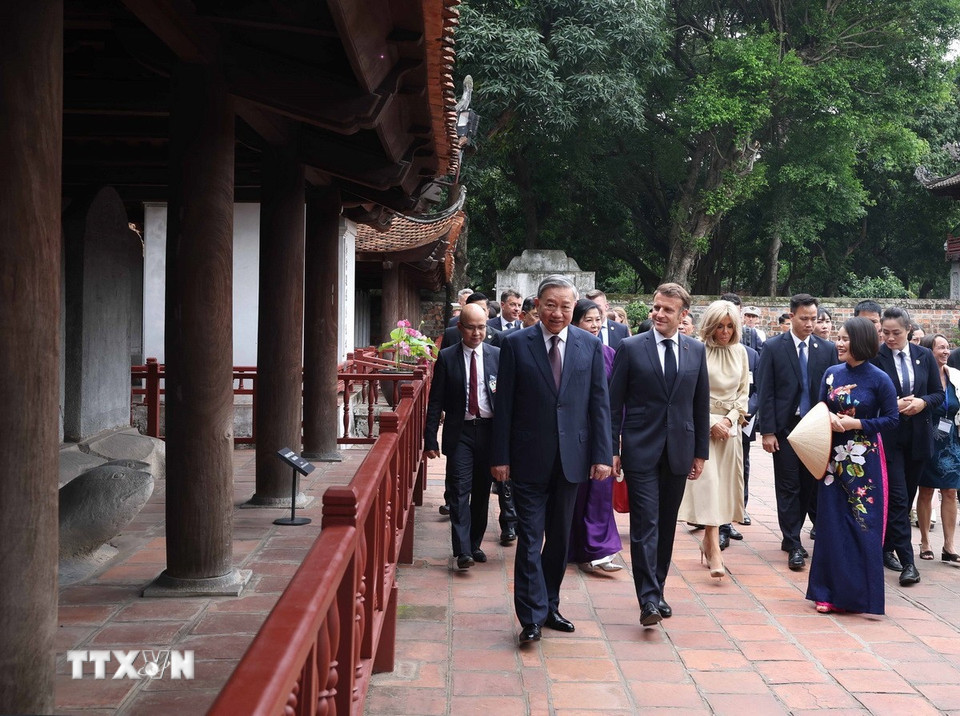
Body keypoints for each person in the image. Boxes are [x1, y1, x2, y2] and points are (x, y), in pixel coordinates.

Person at [491, 275, 612, 645]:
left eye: (565, 306)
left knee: (559, 540)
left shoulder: (589, 345)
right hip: (528, 457)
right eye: (550, 305)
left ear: (574, 308)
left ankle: (550, 605)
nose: (557, 313)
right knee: (530, 538)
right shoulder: (514, 344)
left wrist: (602, 454)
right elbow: (505, 406)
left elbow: (599, 404)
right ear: (537, 306)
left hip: (573, 459)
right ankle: (529, 615)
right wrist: (500, 456)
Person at [610, 283, 710, 626]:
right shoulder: (630, 347)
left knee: (667, 524)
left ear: (683, 315)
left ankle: (659, 588)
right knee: (645, 523)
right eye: (656, 307)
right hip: (640, 448)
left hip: (679, 450)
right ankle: (648, 599)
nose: (658, 314)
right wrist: (612, 448)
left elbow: (700, 405)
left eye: (667, 309)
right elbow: (613, 404)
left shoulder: (696, 351)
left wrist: (700, 453)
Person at [806, 317, 898, 614]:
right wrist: (830, 420)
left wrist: (857, 423)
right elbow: (817, 410)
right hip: (832, 461)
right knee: (830, 524)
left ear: (860, 342)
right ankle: (826, 592)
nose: (839, 343)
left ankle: (860, 597)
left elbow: (893, 420)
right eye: (839, 338)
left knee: (862, 526)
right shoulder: (831, 374)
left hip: (864, 463)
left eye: (845, 339)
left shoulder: (879, 379)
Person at [757, 294, 838, 571]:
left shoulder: (826, 349)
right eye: (804, 318)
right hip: (785, 428)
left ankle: (793, 531)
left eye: (813, 319)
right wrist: (768, 431)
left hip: (814, 428)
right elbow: (766, 391)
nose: (809, 324)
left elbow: (829, 392)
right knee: (788, 485)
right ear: (791, 317)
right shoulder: (773, 348)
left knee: (809, 484)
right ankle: (793, 541)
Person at [871, 306, 943, 585]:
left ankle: (886, 547)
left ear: (908, 330)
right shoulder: (876, 358)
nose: (890, 338)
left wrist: (922, 402)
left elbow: (937, 394)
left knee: (905, 497)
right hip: (890, 439)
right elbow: (871, 397)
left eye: (896, 333)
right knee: (899, 499)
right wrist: (894, 406)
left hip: (918, 438)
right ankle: (908, 563)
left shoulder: (924, 356)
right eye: (885, 333)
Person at [424, 304, 500, 569]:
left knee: (481, 493)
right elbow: (435, 401)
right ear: (460, 328)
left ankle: (475, 543)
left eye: (482, 327)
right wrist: (430, 438)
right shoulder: (446, 357)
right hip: (461, 433)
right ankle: (462, 549)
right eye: (471, 327)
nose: (477, 333)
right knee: (458, 490)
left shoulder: (498, 356)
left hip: (489, 432)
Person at [677, 301, 749, 579]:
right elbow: (687, 394)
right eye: (720, 325)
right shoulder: (696, 350)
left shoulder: (741, 352)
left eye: (730, 326)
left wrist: (730, 419)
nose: (725, 332)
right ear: (710, 325)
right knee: (708, 487)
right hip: (702, 429)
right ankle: (713, 547)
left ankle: (709, 543)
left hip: (729, 431)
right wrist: (709, 422)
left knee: (724, 489)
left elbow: (744, 392)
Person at [566, 299, 623, 573]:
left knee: (601, 489)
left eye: (598, 320)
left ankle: (601, 549)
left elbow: (617, 401)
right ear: (575, 322)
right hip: (574, 433)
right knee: (576, 493)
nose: (595, 326)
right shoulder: (568, 352)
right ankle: (574, 547)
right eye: (589, 320)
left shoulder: (611, 353)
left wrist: (616, 438)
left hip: (602, 432)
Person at [917, 333, 960, 563]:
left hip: (950, 442)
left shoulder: (955, 377)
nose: (946, 352)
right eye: (941, 348)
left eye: (947, 347)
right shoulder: (922, 377)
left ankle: (949, 545)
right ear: (928, 351)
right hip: (927, 439)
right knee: (925, 491)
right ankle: (924, 541)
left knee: (951, 492)